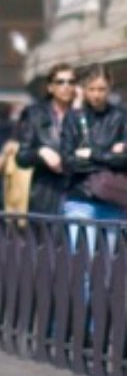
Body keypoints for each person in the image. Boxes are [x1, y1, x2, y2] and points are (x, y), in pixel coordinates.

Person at [61, 64, 127, 252]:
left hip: (112, 199)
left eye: (101, 89)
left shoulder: (121, 117)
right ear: (83, 89)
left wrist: (92, 154)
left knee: (108, 266)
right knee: (82, 261)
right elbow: (68, 162)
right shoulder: (73, 118)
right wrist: (110, 156)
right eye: (91, 89)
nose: (96, 95)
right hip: (80, 198)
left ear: (110, 87)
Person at [15, 63, 76, 215]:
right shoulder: (35, 114)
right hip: (46, 194)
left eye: (71, 82)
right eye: (60, 82)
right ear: (50, 87)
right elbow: (21, 157)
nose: (66, 86)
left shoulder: (84, 113)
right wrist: (41, 152)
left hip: (79, 194)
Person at [0, 124, 32, 216]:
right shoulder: (11, 148)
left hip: (33, 203)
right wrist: (5, 153)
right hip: (13, 203)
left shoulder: (38, 148)